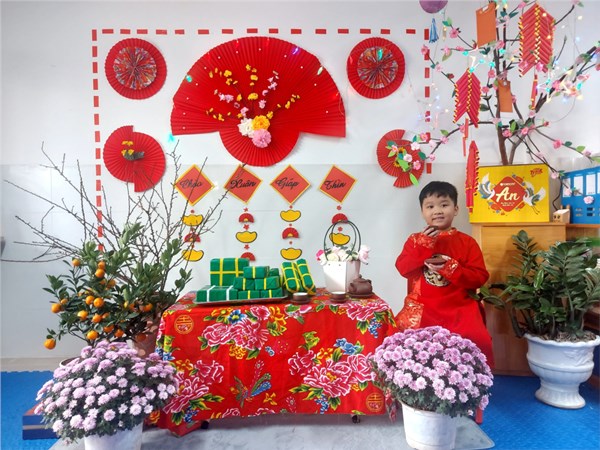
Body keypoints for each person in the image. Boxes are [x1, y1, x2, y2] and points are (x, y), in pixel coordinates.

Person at [395, 181, 494, 369]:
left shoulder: (467, 242)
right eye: (430, 206)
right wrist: (424, 246)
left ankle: (471, 382)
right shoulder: (415, 240)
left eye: (444, 205)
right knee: (401, 337)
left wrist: (451, 268)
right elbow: (404, 269)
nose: (437, 211)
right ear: (422, 212)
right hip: (422, 305)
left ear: (455, 209)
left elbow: (479, 277)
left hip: (460, 306)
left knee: (478, 339)